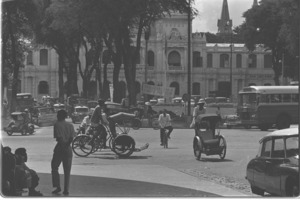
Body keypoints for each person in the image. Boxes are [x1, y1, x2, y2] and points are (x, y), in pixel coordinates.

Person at [51, 109, 76, 195]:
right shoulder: (70, 125)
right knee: (67, 170)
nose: (57, 116)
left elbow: (59, 138)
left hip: (59, 148)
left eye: (58, 115)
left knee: (54, 167)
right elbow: (71, 138)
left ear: (60, 116)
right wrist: (66, 146)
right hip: (68, 149)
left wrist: (63, 146)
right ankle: (66, 189)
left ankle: (57, 186)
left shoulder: (57, 124)